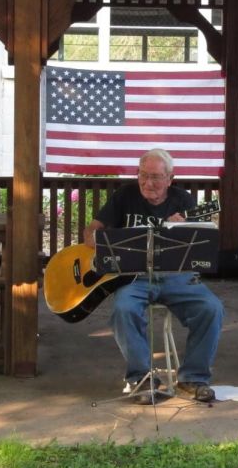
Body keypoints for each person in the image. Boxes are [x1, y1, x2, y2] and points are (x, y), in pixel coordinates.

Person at [83, 148, 224, 404]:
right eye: (143, 175)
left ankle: (193, 379)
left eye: (156, 177)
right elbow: (93, 229)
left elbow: (199, 242)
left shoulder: (184, 201)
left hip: (176, 276)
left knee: (211, 308)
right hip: (134, 277)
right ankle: (143, 378)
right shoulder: (124, 196)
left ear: (170, 178)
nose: (148, 183)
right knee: (123, 309)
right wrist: (95, 239)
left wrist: (181, 229)